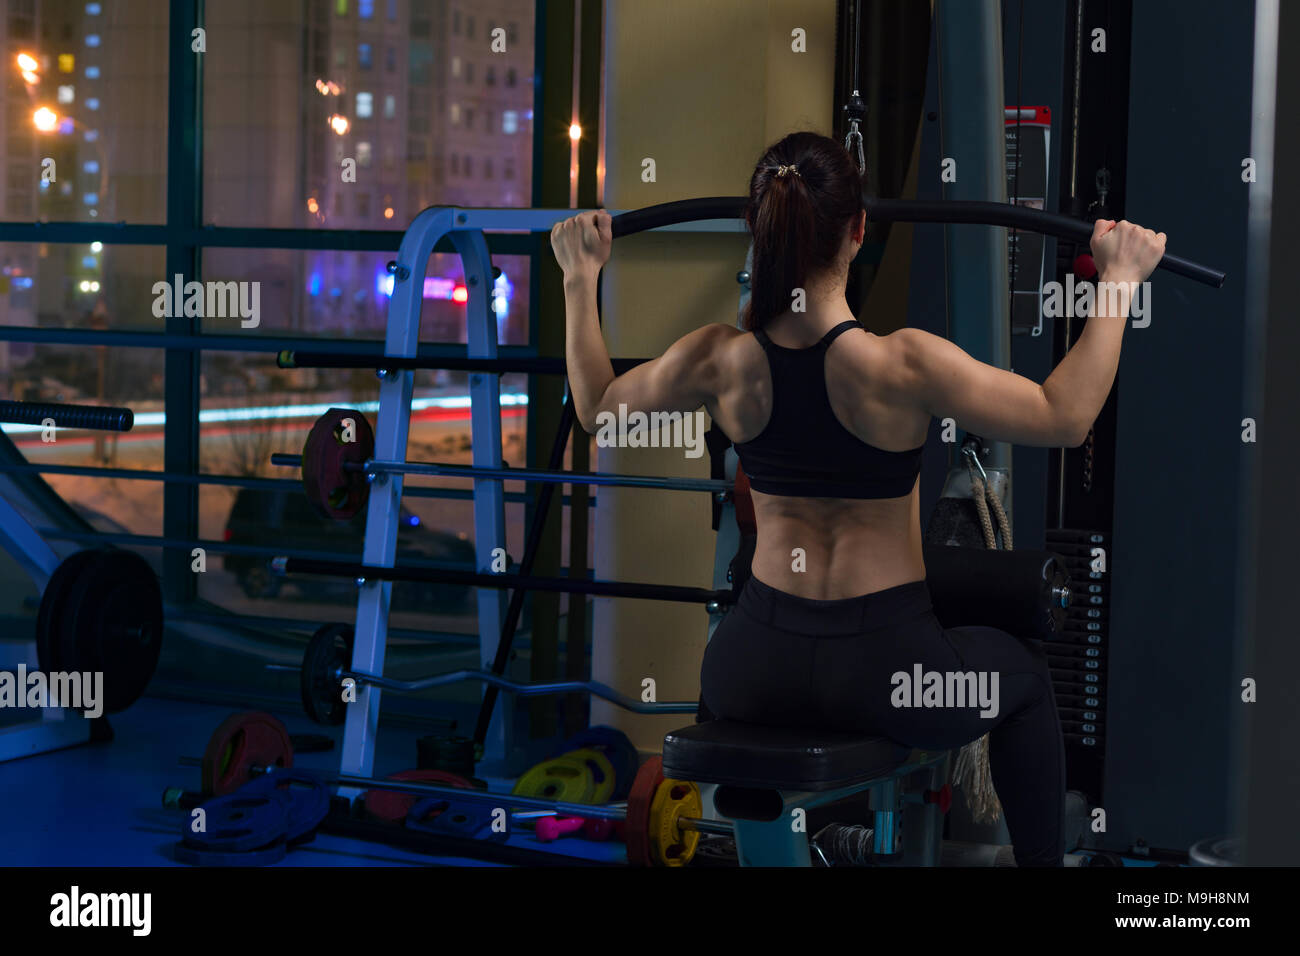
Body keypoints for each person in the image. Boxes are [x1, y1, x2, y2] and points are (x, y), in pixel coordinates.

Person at [551, 131, 1166, 867]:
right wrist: (1120, 281)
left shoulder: (719, 358)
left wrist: (580, 277)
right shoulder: (900, 364)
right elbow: (1065, 416)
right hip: (892, 679)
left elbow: (597, 410)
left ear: (761, 229)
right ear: (859, 231)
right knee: (1027, 679)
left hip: (749, 668)